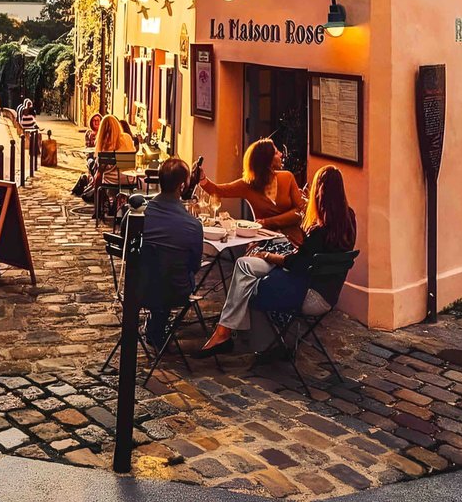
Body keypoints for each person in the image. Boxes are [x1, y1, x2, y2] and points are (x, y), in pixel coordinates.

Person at [193, 165, 357, 357]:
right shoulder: (348, 219)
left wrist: (268, 256)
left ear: (318, 193)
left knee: (252, 286)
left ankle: (246, 339)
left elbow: (295, 263)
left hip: (309, 292)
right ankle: (230, 332)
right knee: (244, 265)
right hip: (323, 288)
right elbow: (308, 254)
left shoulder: (320, 231)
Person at [138, 157, 204, 349]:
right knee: (174, 272)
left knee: (158, 268)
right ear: (182, 186)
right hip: (174, 291)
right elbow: (194, 266)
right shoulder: (192, 225)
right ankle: (158, 321)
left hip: (138, 288)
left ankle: (156, 320)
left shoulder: (137, 214)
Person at [200, 138, 306, 246]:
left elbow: (300, 211)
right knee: (246, 261)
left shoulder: (287, 177)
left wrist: (266, 222)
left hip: (292, 242)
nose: (281, 154)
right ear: (267, 160)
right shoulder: (247, 184)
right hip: (263, 242)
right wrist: (201, 178)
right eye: (276, 153)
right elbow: (217, 191)